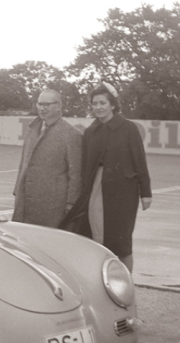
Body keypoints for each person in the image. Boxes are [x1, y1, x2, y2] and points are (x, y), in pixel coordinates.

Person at [60, 82, 152, 272]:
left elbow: (139, 161)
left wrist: (146, 193)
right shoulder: (90, 132)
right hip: (95, 192)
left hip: (124, 194)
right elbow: (85, 167)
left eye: (102, 103)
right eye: (95, 103)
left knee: (122, 244)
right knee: (97, 239)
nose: (98, 107)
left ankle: (126, 287)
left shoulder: (129, 128)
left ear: (112, 105)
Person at [12, 89, 82, 228]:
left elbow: (76, 173)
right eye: (39, 104)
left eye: (47, 104)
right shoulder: (32, 129)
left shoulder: (71, 134)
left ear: (58, 106)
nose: (42, 108)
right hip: (25, 201)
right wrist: (17, 190)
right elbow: (23, 163)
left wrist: (71, 202)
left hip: (52, 206)